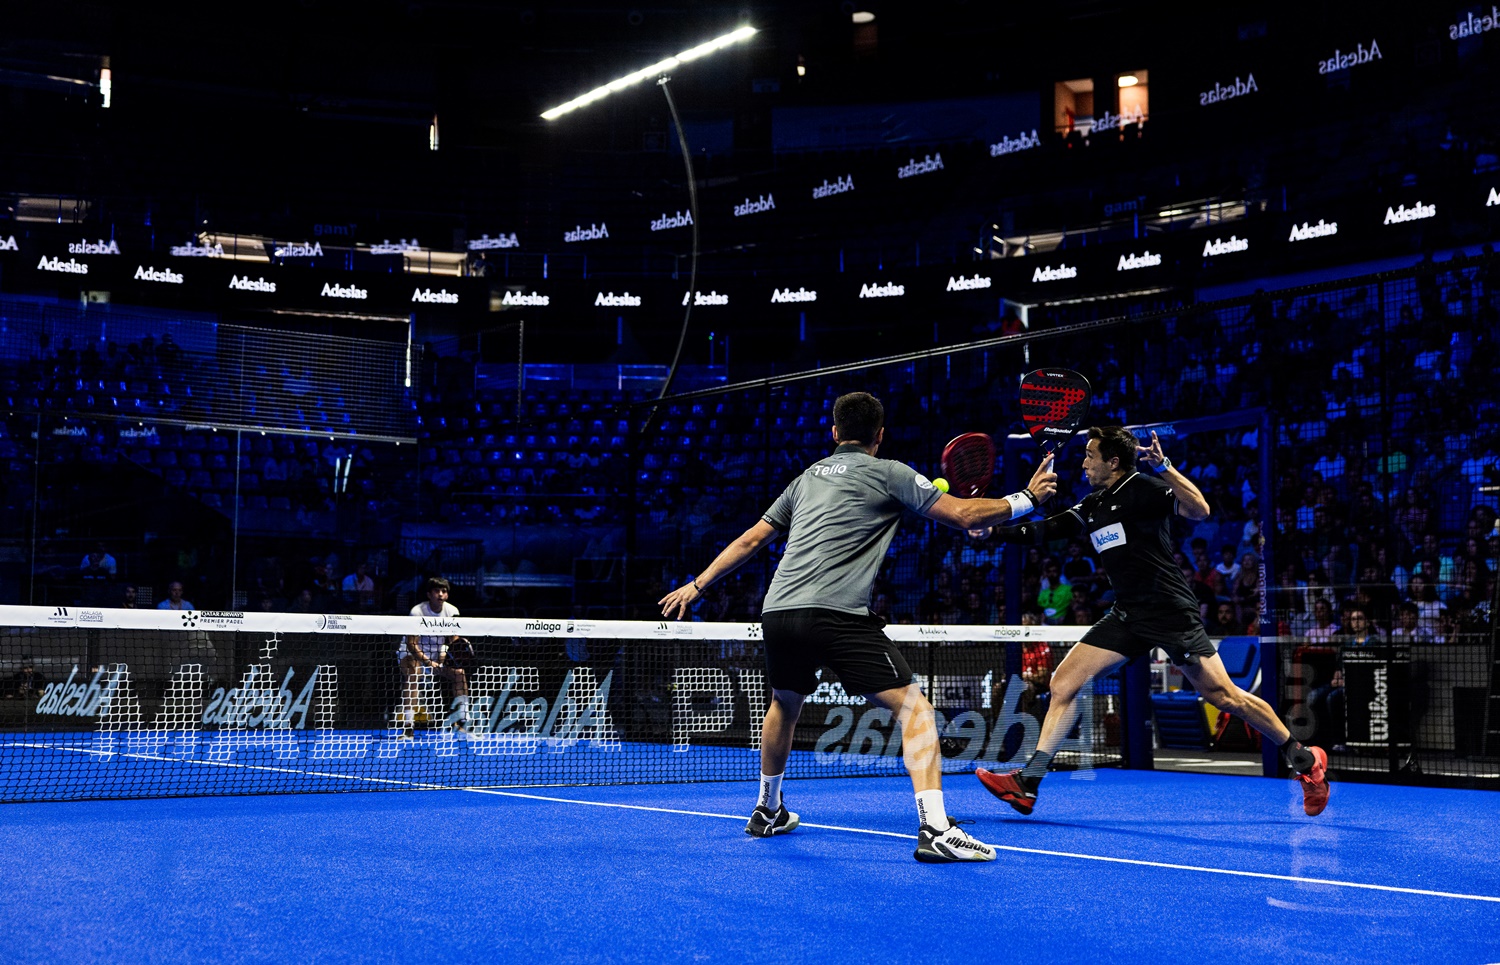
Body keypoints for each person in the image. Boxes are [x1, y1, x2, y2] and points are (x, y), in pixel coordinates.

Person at [658, 391, 1058, 863]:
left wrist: (697, 585)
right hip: (836, 614)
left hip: (779, 612)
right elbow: (963, 515)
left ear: (834, 433)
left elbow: (752, 539)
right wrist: (1027, 498)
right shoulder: (889, 471)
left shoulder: (805, 479)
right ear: (880, 435)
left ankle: (767, 809)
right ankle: (936, 831)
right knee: (916, 712)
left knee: (784, 704)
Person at [970, 427, 1331, 817]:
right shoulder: (1093, 504)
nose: (1084, 461)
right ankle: (1028, 783)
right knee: (1063, 682)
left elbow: (1199, 510)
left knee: (1223, 696)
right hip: (1127, 615)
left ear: (1113, 462)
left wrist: (1165, 467)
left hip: (1169, 612)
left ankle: (1304, 760)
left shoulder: (1142, 487)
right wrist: (992, 530)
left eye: (1090, 455)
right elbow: (1047, 529)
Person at [398, 576, 472, 737]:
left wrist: (446, 655)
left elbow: (454, 641)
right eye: (436, 591)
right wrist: (428, 662)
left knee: (459, 675)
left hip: (436, 654)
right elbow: (412, 644)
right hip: (411, 654)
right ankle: (408, 728)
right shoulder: (417, 612)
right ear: (429, 594)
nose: (440, 594)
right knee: (414, 674)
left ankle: (463, 723)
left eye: (444, 591)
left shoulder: (452, 612)